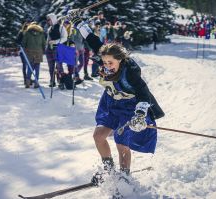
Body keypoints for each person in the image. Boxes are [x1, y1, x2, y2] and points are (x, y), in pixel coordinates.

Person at [68, 11, 165, 178]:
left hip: (130, 106)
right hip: (111, 103)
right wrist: (77, 21)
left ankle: (124, 177)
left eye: (110, 63)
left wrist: (140, 115)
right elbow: (91, 38)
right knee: (98, 136)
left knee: (121, 142)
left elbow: (143, 92)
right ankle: (109, 169)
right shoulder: (105, 55)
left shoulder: (130, 71)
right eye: (104, 62)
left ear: (120, 59)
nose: (107, 65)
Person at [45, 13, 68, 89]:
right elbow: (48, 39)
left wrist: (55, 42)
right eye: (47, 20)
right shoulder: (49, 29)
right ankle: (52, 81)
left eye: (49, 19)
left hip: (58, 49)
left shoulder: (61, 27)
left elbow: (65, 38)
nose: (48, 21)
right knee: (51, 67)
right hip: (49, 49)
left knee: (59, 66)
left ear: (53, 19)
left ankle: (61, 82)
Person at [22, 22, 45, 88]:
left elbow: (24, 43)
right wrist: (43, 50)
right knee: (37, 68)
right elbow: (44, 43)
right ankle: (36, 83)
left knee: (30, 67)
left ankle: (27, 82)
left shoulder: (27, 33)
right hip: (38, 52)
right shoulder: (41, 34)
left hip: (29, 52)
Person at [16, 21, 30, 86]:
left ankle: (28, 79)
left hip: (30, 51)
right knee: (25, 65)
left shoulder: (30, 33)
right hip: (23, 51)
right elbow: (17, 41)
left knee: (30, 65)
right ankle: (25, 80)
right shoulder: (21, 33)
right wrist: (21, 45)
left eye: (28, 26)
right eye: (26, 26)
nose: (27, 28)